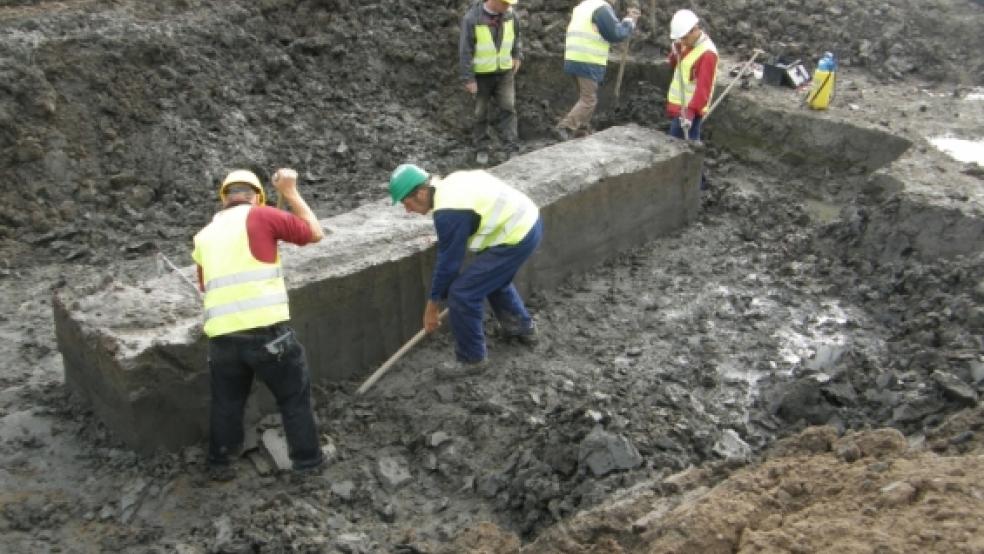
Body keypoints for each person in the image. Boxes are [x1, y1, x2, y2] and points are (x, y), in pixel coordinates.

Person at [192, 168, 325, 481]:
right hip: (266, 334)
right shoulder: (262, 215)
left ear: (225, 198)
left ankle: (220, 464)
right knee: (293, 397)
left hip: (222, 338)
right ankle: (307, 463)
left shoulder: (203, 235)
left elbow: (204, 284)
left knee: (227, 403)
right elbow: (314, 232)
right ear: (256, 196)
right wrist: (291, 192)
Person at [388, 163, 543, 373]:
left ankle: (472, 359)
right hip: (527, 223)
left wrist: (432, 307)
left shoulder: (449, 211)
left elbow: (449, 263)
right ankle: (521, 328)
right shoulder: (451, 182)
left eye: (407, 203)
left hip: (516, 236)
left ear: (422, 193)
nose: (407, 210)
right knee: (492, 281)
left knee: (463, 293)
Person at [555, 0, 640, 140]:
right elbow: (615, 34)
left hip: (573, 58)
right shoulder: (601, 8)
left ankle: (581, 130)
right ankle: (566, 127)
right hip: (587, 60)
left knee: (585, 97)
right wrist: (629, 22)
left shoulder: (583, 6)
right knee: (589, 100)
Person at [460, 0, 523, 165]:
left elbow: (517, 37)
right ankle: (481, 148)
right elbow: (465, 50)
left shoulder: (511, 16)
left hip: (504, 72)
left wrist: (517, 55)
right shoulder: (472, 18)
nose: (509, 7)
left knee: (508, 108)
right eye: (505, 3)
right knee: (480, 113)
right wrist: (468, 78)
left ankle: (512, 149)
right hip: (482, 75)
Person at [665, 9, 718, 144]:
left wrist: (690, 112)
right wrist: (674, 54)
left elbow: (703, 89)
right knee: (683, 147)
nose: (682, 41)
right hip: (679, 108)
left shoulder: (707, 54)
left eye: (684, 38)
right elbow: (678, 66)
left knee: (681, 147)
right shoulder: (687, 44)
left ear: (694, 30)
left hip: (688, 112)